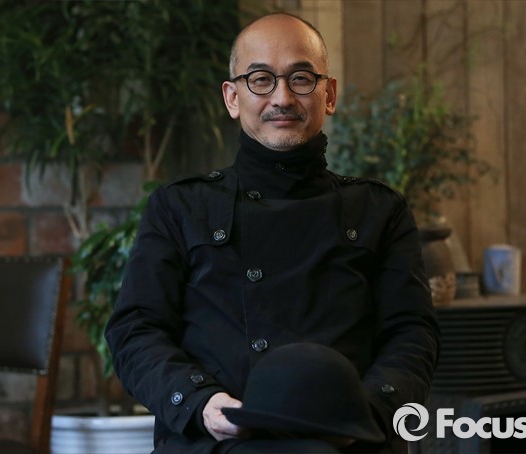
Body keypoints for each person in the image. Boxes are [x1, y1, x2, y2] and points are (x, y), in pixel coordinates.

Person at [105, 12, 439, 454]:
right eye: (260, 79)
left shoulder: (381, 210)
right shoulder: (179, 206)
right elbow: (135, 331)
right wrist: (202, 404)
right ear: (232, 97)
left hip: (350, 444)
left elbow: (412, 335)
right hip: (214, 443)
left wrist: (366, 413)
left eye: (301, 78)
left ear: (329, 94)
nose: (282, 97)